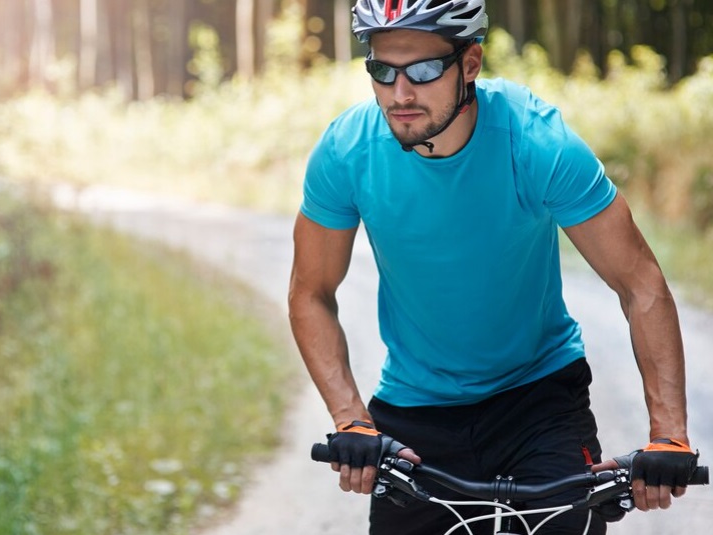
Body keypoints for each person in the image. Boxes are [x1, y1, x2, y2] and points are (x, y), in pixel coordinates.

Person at [287, 1, 699, 534]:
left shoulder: (535, 142)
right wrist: (351, 420)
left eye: (424, 70)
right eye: (382, 71)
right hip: (416, 411)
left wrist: (668, 434)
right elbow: (310, 292)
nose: (401, 93)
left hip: (539, 399)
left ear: (471, 64)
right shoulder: (347, 151)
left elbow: (639, 282)